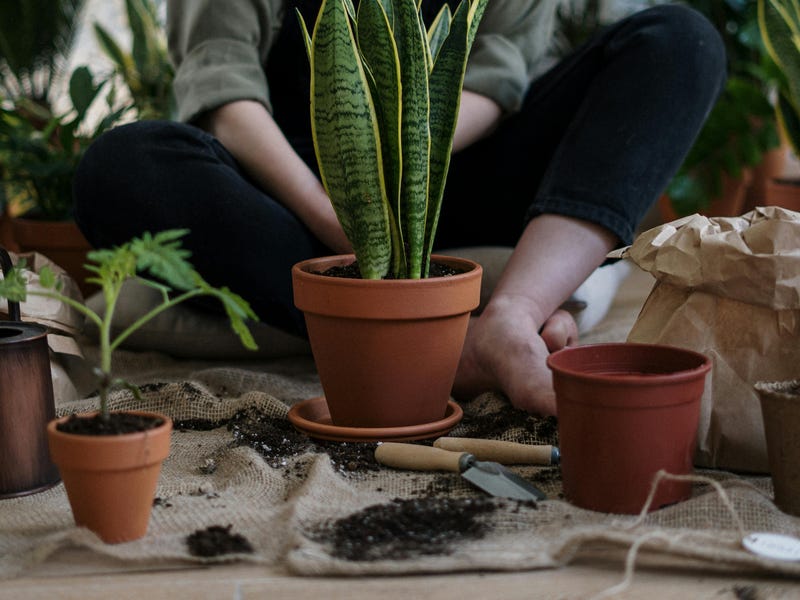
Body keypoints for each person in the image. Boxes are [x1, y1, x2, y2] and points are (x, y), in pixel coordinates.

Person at [73, 0, 726, 416]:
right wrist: (341, 214)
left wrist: (405, 184)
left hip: (459, 168)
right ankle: (438, 336)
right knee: (123, 165)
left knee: (678, 40)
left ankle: (509, 317)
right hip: (297, 199)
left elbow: (496, 80)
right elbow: (222, 85)